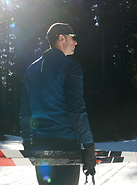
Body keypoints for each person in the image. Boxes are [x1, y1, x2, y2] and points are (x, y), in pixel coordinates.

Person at [20, 23, 96, 185]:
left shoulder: (31, 70)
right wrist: (89, 145)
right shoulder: (70, 67)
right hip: (66, 144)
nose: (75, 42)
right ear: (61, 38)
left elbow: (25, 111)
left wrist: (27, 141)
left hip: (39, 144)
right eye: (72, 37)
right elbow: (76, 109)